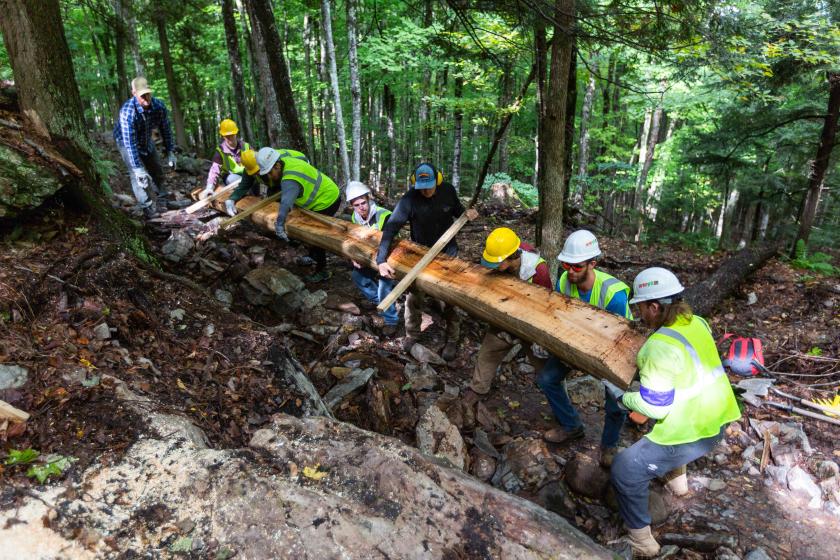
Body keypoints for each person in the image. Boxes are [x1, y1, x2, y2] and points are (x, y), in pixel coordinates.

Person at [610, 267, 741, 557]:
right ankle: (677, 482)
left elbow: (656, 406)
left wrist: (625, 397)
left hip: (692, 433)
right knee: (656, 429)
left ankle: (641, 542)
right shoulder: (697, 322)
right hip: (717, 419)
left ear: (654, 307)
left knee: (625, 469)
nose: (639, 313)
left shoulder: (658, 346)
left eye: (641, 307)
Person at [537, 229, 633, 467]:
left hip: (614, 352)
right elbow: (562, 315)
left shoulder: (614, 294)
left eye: (577, 267)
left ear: (593, 263)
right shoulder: (563, 281)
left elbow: (620, 340)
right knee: (547, 378)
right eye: (566, 265)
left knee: (615, 402)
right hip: (576, 343)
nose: (570, 271)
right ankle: (571, 425)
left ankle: (608, 445)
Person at [377, 163, 478, 359]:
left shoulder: (447, 190)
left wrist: (468, 214)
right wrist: (381, 259)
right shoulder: (409, 200)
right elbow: (391, 228)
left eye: (430, 186)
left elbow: (458, 211)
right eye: (422, 187)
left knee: (450, 297)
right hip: (420, 253)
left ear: (438, 181)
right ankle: (411, 334)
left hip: (448, 253)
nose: (426, 191)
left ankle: (452, 338)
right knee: (414, 296)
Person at [463, 227, 552, 405]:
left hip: (531, 323)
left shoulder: (538, 271)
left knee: (546, 369)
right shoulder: (505, 254)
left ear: (512, 257)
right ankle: (478, 389)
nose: (494, 267)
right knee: (488, 352)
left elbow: (545, 305)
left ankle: (558, 402)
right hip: (505, 318)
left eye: (498, 263)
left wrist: (539, 337)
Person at [226, 147, 339, 283]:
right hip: (317, 198)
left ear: (277, 166)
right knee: (308, 230)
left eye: (269, 173)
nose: (267, 177)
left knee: (315, 235)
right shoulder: (278, 161)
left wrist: (279, 225)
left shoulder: (289, 178)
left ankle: (322, 271)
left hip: (327, 200)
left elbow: (285, 204)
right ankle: (312, 257)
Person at [113, 76, 177, 218]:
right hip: (125, 141)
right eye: (142, 95)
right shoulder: (128, 112)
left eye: (147, 93)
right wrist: (137, 168)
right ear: (134, 93)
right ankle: (147, 208)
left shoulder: (159, 107)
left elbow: (165, 129)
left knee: (156, 168)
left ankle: (163, 201)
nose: (146, 98)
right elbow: (130, 143)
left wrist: (170, 151)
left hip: (145, 138)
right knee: (136, 175)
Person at [346, 181, 399, 337]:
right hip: (369, 257)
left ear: (369, 200)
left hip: (390, 256)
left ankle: (391, 320)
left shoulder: (384, 215)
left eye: (364, 203)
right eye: (357, 205)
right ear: (352, 206)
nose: (362, 207)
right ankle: (381, 303)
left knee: (384, 283)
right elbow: (355, 241)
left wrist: (380, 261)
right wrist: (353, 258)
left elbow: (388, 242)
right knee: (357, 276)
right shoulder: (354, 217)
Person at [200, 119, 251, 199]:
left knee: (253, 180)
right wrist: (209, 188)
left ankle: (255, 197)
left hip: (248, 174)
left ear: (236, 133)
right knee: (236, 180)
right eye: (227, 136)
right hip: (231, 177)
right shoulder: (220, 151)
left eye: (232, 135)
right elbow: (214, 171)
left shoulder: (246, 146)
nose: (230, 138)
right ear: (223, 136)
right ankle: (244, 199)